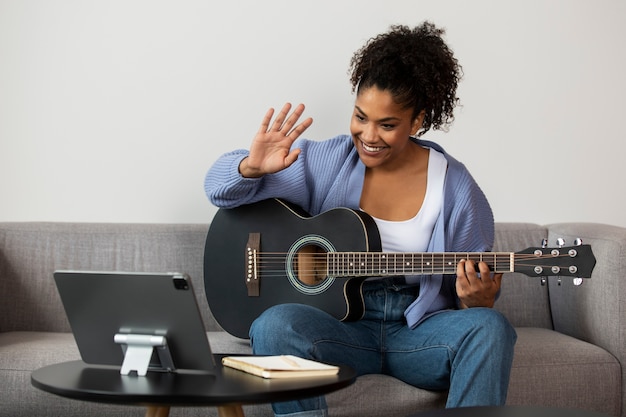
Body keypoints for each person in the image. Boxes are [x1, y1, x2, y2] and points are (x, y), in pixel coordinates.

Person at [205, 21, 517, 417]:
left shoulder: (454, 185)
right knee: (273, 324)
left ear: (417, 121)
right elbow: (216, 189)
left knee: (491, 329)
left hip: (416, 331)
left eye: (387, 125)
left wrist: (479, 301)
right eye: (360, 117)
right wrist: (252, 167)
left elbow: (472, 283)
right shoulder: (326, 161)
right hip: (338, 327)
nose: (369, 135)